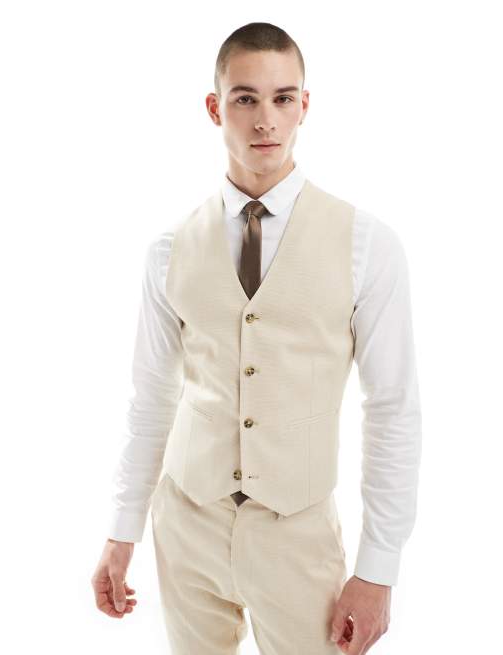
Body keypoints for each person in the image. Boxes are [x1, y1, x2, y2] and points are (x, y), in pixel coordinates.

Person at [91, 21, 422, 655]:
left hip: (298, 535)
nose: (265, 119)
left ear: (304, 105)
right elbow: (151, 398)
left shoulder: (367, 245)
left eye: (282, 97)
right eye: (245, 98)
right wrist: (122, 528)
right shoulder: (168, 250)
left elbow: (392, 408)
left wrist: (378, 568)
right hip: (186, 525)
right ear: (215, 107)